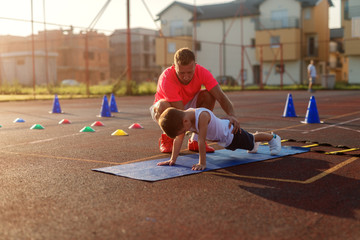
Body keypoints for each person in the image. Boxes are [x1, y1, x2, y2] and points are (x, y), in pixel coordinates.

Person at [150, 47, 240, 153]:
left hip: (189, 103)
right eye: (181, 73)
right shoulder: (166, 78)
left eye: (189, 72)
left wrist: (232, 115)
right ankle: (168, 139)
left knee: (208, 95)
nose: (186, 77)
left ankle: (195, 141)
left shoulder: (202, 72)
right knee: (163, 106)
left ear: (195, 65)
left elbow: (220, 96)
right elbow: (181, 114)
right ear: (174, 67)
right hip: (168, 108)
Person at [157, 107, 281, 171]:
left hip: (232, 133)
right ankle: (253, 143)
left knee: (251, 139)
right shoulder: (184, 120)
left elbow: (201, 140)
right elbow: (178, 140)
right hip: (225, 141)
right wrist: (172, 159)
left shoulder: (202, 116)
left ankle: (273, 137)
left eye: (184, 131)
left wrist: (202, 163)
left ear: (184, 121)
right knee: (249, 143)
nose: (184, 133)